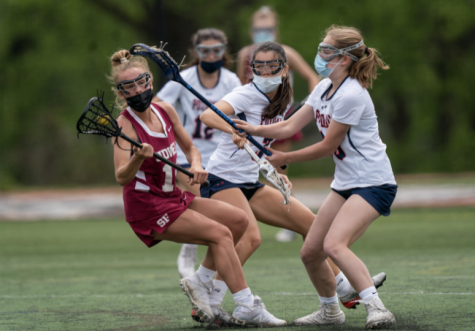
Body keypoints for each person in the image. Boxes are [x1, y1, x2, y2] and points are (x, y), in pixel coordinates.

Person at [200, 41, 386, 326]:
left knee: (310, 225)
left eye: (270, 66)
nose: (263, 71)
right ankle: (211, 301)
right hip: (223, 179)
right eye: (257, 66)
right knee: (250, 237)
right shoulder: (245, 94)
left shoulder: (285, 99)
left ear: (284, 69)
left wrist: (279, 168)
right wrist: (233, 128)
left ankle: (343, 286)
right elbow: (209, 115)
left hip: (250, 181)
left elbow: (273, 138)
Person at [109, 49, 286, 327]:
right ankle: (245, 304)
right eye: (128, 87)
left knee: (237, 221)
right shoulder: (124, 127)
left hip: (174, 196)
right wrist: (136, 160)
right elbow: (121, 176)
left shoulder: (164, 109)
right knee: (220, 234)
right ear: (121, 93)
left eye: (141, 82)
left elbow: (190, 148)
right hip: (148, 208)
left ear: (150, 81)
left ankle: (200, 282)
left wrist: (195, 165)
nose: (137, 90)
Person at [152, 28, 242, 279]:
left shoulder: (231, 81)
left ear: (224, 52)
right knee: (205, 209)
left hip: (221, 159)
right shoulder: (184, 77)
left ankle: (205, 273)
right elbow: (155, 107)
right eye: (205, 51)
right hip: (188, 158)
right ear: (196, 52)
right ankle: (190, 249)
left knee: (227, 218)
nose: (211, 56)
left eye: (217, 50)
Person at [237, 5, 320, 242]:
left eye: (268, 28)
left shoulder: (287, 52)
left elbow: (312, 76)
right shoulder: (245, 53)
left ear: (275, 29)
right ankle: (250, 215)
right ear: (252, 30)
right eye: (259, 29)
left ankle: (291, 220)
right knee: (250, 168)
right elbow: (239, 85)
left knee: (279, 170)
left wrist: (309, 107)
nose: (263, 32)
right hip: (253, 120)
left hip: (280, 118)